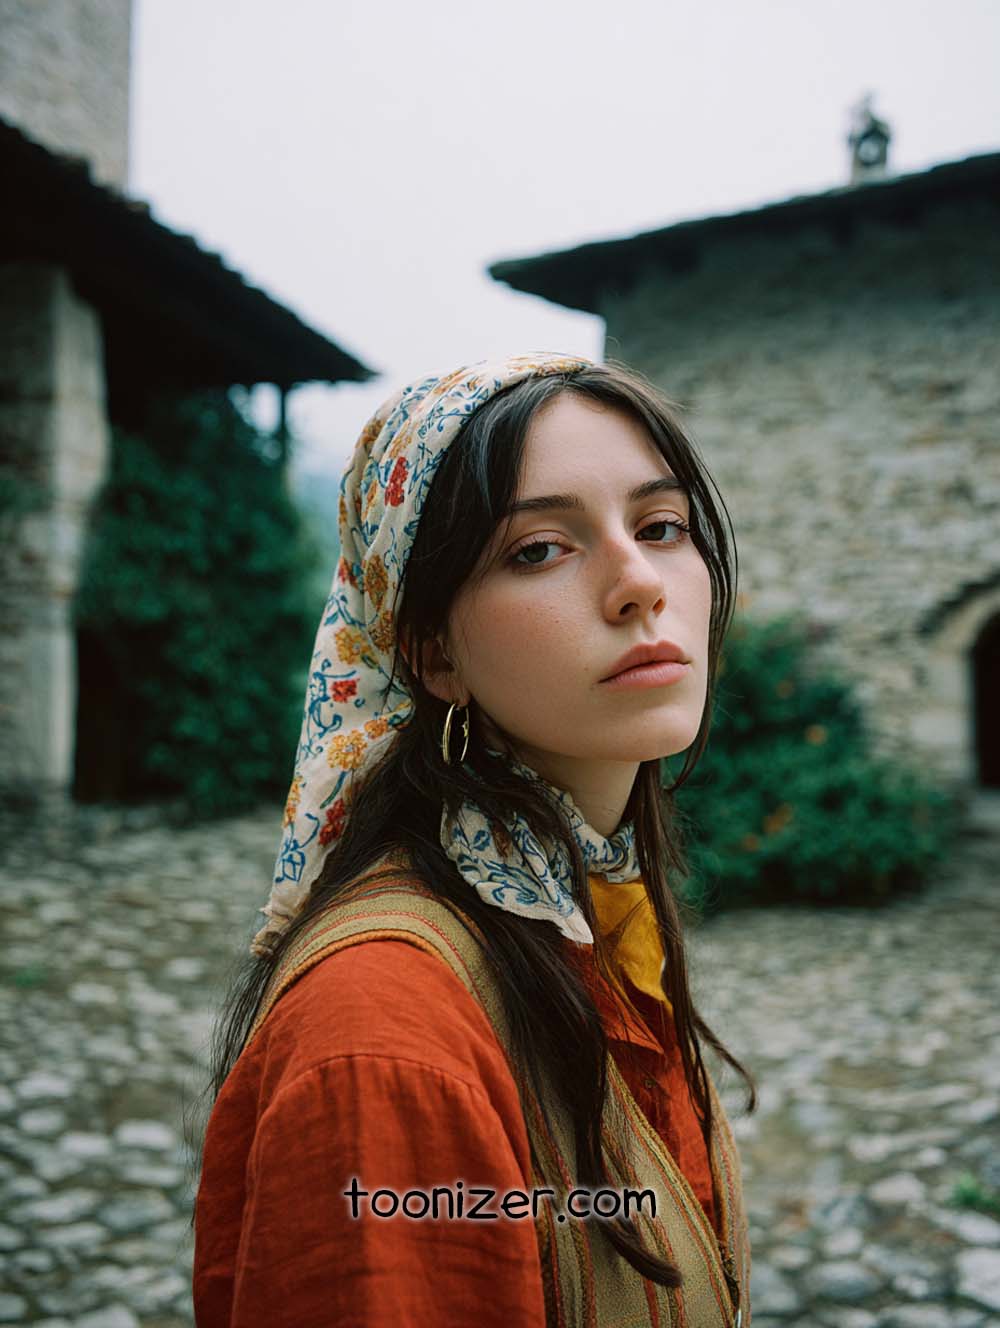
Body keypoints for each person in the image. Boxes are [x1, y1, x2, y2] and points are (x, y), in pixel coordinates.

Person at [192, 352, 756, 1326]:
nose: (637, 584)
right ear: (433, 652)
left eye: (662, 526)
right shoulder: (380, 1040)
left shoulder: (593, 903)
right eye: (538, 548)